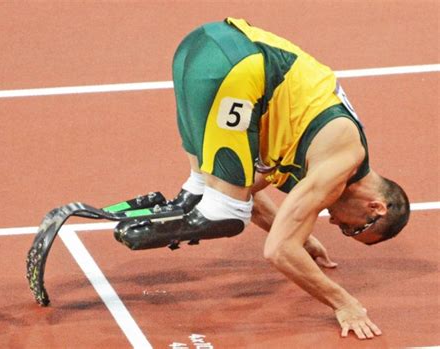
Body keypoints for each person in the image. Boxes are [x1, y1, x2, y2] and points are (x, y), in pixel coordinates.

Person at [117, 17, 410, 339]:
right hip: (238, 68)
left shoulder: (310, 147)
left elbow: (251, 195)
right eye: (352, 227)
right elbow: (279, 251)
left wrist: (300, 235)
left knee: (211, 188)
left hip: (199, 48)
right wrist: (343, 302)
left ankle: (180, 201)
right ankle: (148, 228)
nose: (334, 224)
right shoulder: (341, 162)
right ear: (376, 207)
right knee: (225, 213)